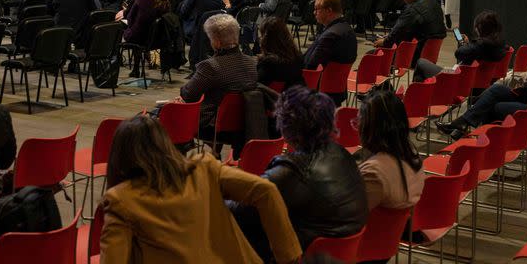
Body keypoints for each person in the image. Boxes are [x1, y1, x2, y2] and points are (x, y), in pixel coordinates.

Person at [99, 115, 302, 263]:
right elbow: (265, 190)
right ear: (166, 144)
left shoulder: (120, 200)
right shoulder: (204, 168)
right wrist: (289, 257)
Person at [234, 86, 367, 259]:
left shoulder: (293, 172)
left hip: (302, 255)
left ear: (286, 126)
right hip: (337, 256)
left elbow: (241, 209)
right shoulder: (342, 155)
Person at [180, 14, 258, 131]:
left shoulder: (210, 66)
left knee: (166, 113)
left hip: (212, 124)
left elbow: (188, 94)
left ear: (217, 42)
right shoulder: (252, 63)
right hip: (243, 123)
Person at [358, 87, 425, 213]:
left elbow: (347, 215)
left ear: (370, 128)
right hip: (403, 230)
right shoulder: (411, 154)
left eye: (359, 121)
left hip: (376, 231)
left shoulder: (374, 172)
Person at [413, 10, 507, 82]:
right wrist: (468, 44)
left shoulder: (480, 45)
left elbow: (459, 54)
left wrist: (463, 44)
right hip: (481, 82)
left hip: (458, 79)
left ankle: (418, 99)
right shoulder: (500, 44)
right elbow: (472, 53)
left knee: (421, 63)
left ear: (480, 28)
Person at [374, 0, 446, 64]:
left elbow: (398, 30)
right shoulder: (434, 4)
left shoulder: (413, 10)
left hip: (413, 54)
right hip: (427, 52)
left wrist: (384, 41)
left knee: (373, 54)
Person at [304, 0, 357, 100]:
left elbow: (310, 66)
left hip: (321, 93)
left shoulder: (331, 35)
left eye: (317, 9)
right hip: (338, 90)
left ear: (328, 11)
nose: (314, 13)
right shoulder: (347, 29)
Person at [123, 0, 171, 77]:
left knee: (125, 30)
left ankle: (134, 68)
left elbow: (130, 18)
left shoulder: (142, 0)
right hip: (159, 39)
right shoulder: (166, 3)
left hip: (140, 38)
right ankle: (146, 63)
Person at [257, 17, 304, 87]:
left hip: (272, 97)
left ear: (266, 39)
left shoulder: (267, 63)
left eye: (261, 35)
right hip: (294, 96)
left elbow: (257, 86)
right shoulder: (298, 57)